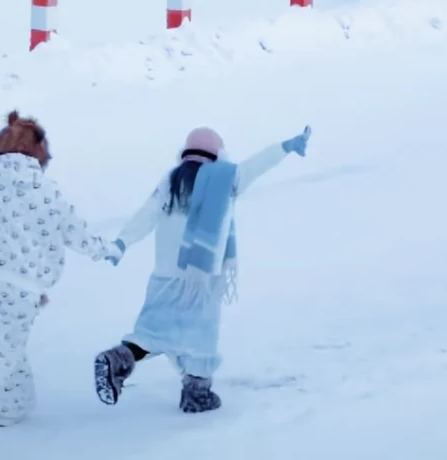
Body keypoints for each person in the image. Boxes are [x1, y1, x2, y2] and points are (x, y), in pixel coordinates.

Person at [94, 124, 311, 415]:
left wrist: (122, 242)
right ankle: (196, 394)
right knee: (200, 337)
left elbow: (147, 214)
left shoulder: (171, 181)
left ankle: (117, 359)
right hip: (203, 278)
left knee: (150, 332)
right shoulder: (224, 178)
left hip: (164, 277)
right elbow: (255, 166)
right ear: (217, 153)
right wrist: (285, 147)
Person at [0, 73, 113, 435]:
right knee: (5, 344)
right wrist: (105, 250)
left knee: (7, 343)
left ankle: (14, 406)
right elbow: (76, 231)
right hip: (22, 288)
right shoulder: (47, 191)